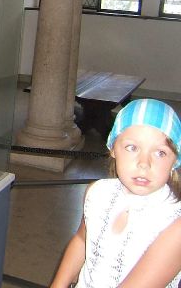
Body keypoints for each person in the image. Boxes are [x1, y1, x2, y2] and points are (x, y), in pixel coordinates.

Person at [51, 98, 181, 288]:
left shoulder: (174, 224)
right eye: (132, 148)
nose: (144, 164)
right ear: (113, 148)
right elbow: (82, 240)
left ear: (175, 159)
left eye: (160, 153)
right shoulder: (98, 193)